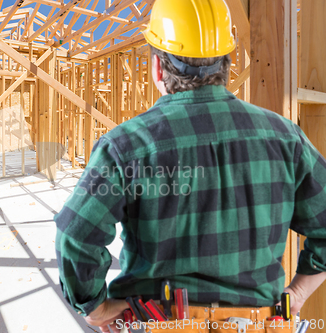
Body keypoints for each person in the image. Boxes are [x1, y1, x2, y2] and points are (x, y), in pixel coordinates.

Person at [54, 0, 326, 332]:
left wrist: (94, 305)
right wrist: (298, 291)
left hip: (156, 322)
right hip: (257, 323)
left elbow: (76, 233)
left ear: (158, 67)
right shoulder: (286, 139)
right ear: (227, 63)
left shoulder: (126, 146)